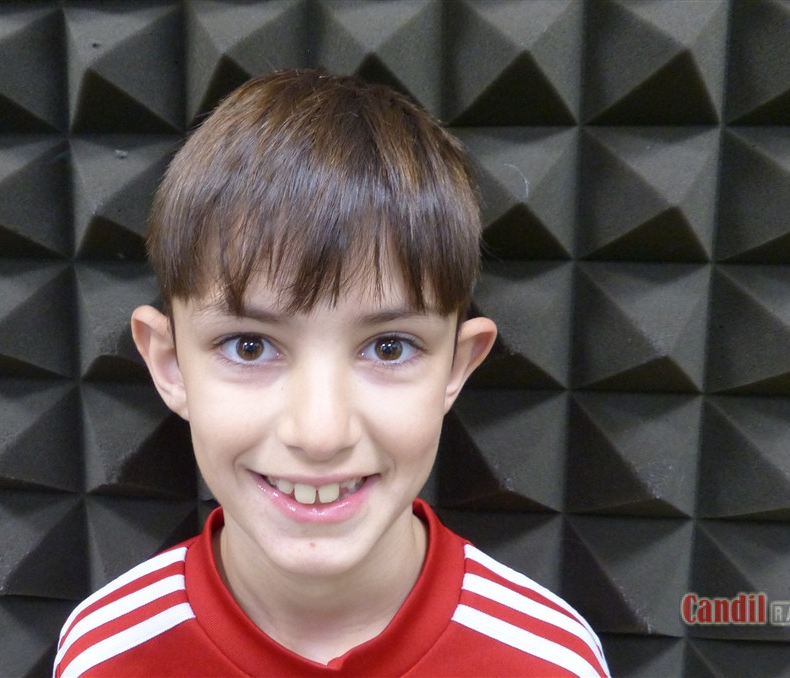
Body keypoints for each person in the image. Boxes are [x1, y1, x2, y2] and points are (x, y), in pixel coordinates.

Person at [54, 69, 609, 678]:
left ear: (457, 366)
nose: (320, 434)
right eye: (249, 347)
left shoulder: (552, 663)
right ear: (170, 365)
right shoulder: (103, 657)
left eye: (389, 348)